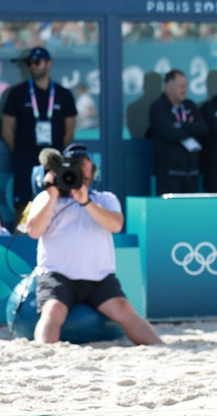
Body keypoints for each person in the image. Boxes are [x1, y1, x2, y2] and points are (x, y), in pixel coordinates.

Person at [23, 143, 163, 346]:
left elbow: (116, 225)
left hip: (99, 278)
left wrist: (86, 202)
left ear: (92, 171)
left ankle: (159, 347)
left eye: (85, 164)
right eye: (75, 164)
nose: (80, 168)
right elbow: (33, 231)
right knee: (53, 310)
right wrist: (53, 194)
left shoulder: (105, 199)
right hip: (57, 275)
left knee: (124, 309)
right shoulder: (45, 198)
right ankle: (45, 354)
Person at [0, 46, 76, 217]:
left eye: (37, 62)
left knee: (55, 201)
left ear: (49, 64)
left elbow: (69, 131)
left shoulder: (63, 94)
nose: (33, 66)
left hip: (53, 161)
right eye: (30, 63)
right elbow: (6, 130)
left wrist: (57, 155)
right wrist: (21, 152)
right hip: (25, 160)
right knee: (24, 205)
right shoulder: (17, 93)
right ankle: (20, 242)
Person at [147, 68, 207, 194]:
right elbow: (170, 134)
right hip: (169, 173)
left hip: (191, 172)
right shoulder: (158, 107)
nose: (184, 90)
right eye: (181, 86)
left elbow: (203, 128)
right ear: (169, 87)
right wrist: (190, 127)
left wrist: (181, 125)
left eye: (185, 86)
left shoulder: (189, 105)